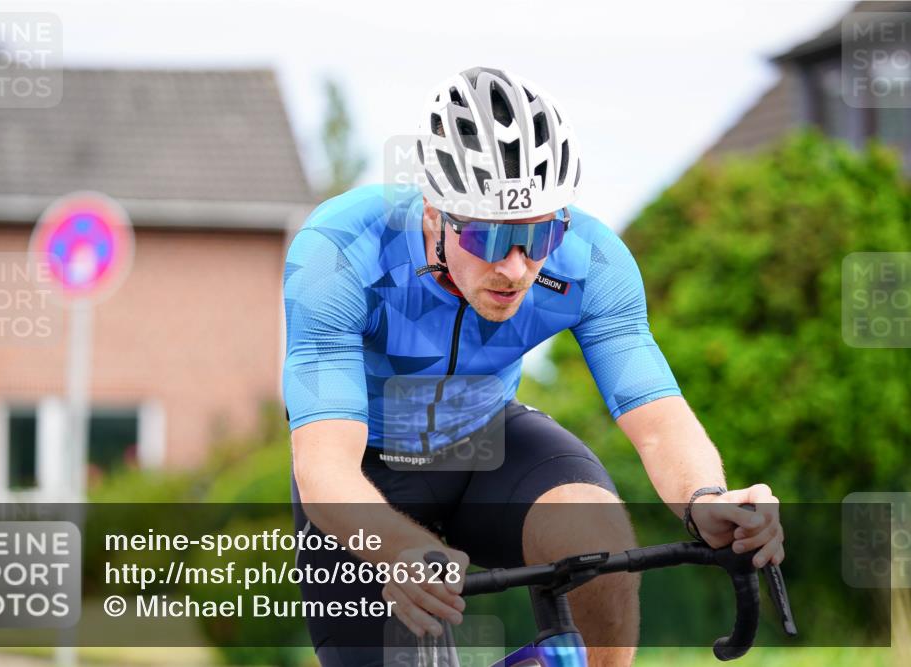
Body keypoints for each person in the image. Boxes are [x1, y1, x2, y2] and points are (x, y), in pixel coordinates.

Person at [282, 66, 784, 667]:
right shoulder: (339, 251)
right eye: (491, 240)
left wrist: (706, 498)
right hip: (366, 469)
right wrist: (396, 548)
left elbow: (656, 418)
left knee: (597, 536)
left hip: (487, 439)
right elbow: (323, 469)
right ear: (436, 214)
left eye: (539, 235)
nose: (517, 268)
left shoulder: (590, 259)